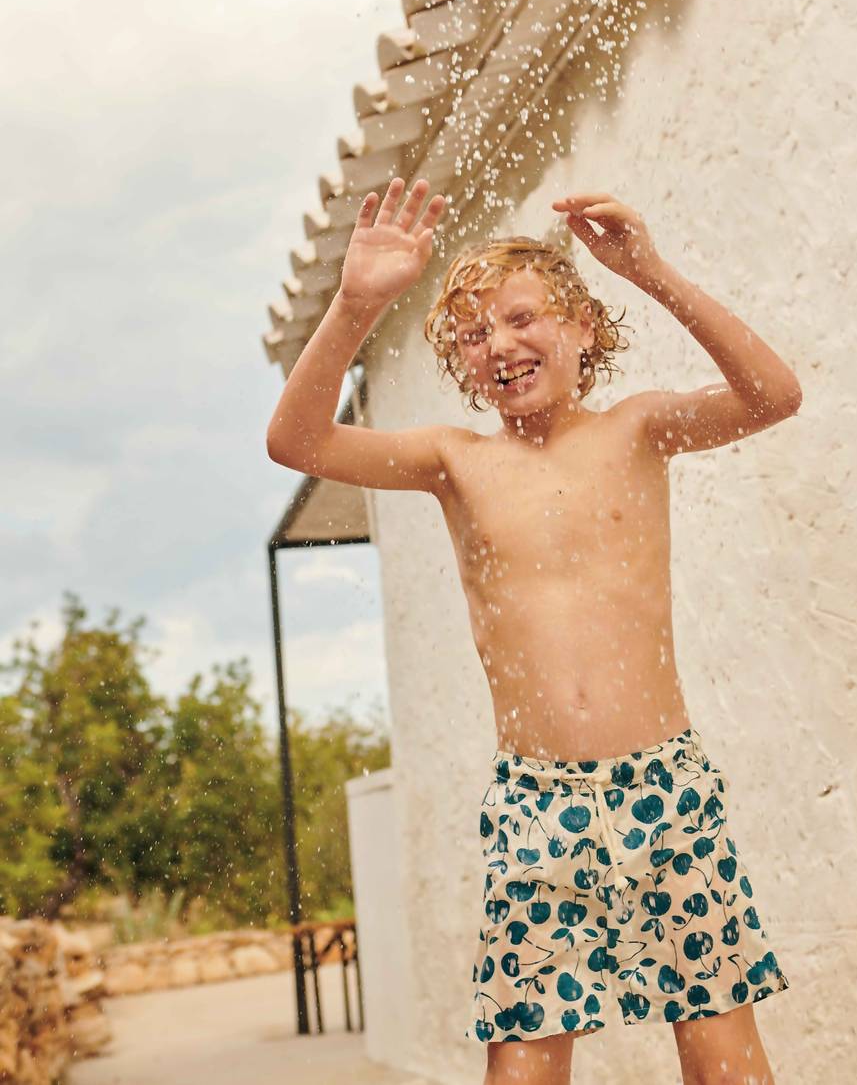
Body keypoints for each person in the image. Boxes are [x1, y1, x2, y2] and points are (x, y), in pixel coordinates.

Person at [266, 175, 804, 1085]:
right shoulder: (455, 460)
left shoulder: (638, 429)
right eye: (473, 335)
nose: (500, 345)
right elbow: (298, 443)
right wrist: (355, 305)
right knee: (521, 1072)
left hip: (666, 787)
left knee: (725, 1066)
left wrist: (652, 272)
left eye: (522, 319)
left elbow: (772, 394)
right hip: (538, 803)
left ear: (583, 327)